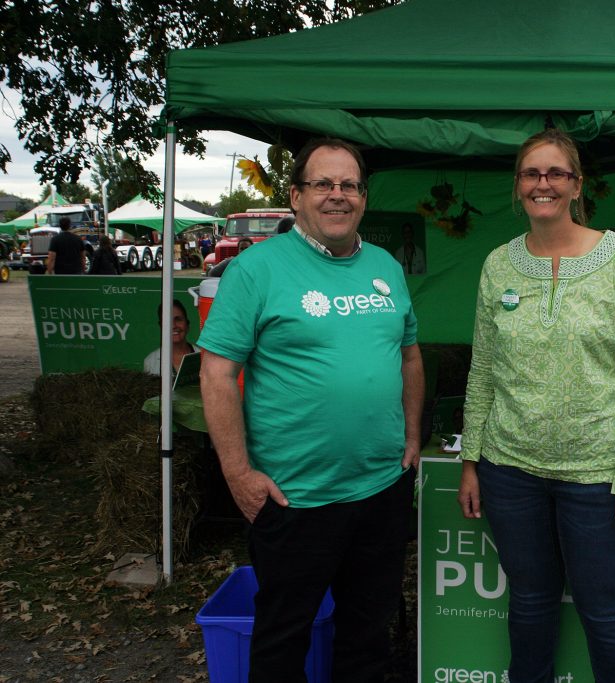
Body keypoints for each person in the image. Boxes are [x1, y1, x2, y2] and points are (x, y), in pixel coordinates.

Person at [198, 137, 424, 683]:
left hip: (379, 490)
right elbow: (216, 372)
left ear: (364, 198)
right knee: (283, 639)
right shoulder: (256, 268)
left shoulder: (385, 268)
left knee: (369, 637)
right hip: (294, 496)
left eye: (349, 185)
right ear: (296, 197)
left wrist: (413, 437)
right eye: (323, 184)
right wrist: (238, 474)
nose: (337, 196)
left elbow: (409, 355)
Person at [457, 128, 615, 683]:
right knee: (528, 603)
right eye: (531, 174)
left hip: (598, 476)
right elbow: (482, 371)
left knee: (606, 611)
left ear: (577, 185)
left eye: (556, 174)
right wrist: (472, 461)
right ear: (518, 186)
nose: (542, 184)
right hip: (511, 471)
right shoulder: (498, 265)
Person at [143, 299, 196, 376]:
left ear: (187, 325)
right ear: (161, 326)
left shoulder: (203, 357)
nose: (174, 325)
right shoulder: (150, 361)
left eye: (178, 319)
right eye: (168, 320)